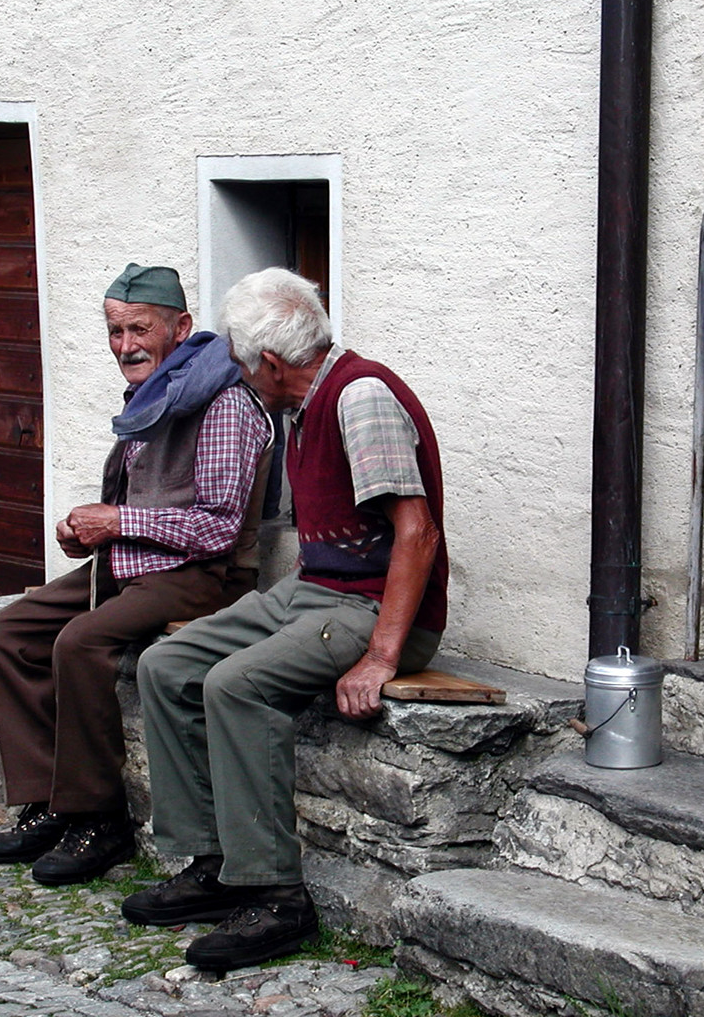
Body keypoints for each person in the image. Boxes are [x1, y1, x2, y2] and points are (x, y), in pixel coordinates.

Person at [121, 267, 449, 970]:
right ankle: (212, 861)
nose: (237, 374)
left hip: (374, 609)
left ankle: (275, 895)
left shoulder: (359, 398)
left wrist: (384, 656)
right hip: (317, 592)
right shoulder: (300, 408)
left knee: (236, 684)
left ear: (268, 362)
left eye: (240, 361)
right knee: (167, 664)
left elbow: (416, 534)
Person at [0, 263, 273, 886]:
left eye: (139, 329)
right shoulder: (161, 390)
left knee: (81, 643)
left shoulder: (222, 403)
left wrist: (117, 521)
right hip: (130, 564)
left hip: (202, 574)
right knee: (1, 635)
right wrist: (87, 529)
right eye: (115, 331)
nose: (125, 345)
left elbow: (217, 527)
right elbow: (136, 506)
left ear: (182, 326)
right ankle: (47, 801)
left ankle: (97, 819)